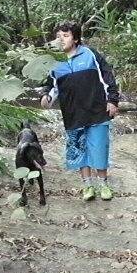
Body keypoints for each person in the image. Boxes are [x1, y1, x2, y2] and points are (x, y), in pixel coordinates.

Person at [40, 21, 119, 201]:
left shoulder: (90, 54)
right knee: (79, 151)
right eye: (58, 36)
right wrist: (46, 98)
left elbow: (107, 76)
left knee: (99, 148)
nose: (61, 40)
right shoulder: (54, 64)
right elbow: (50, 87)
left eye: (65, 36)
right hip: (73, 114)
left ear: (75, 38)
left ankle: (104, 185)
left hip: (96, 110)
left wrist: (112, 100)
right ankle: (87, 186)